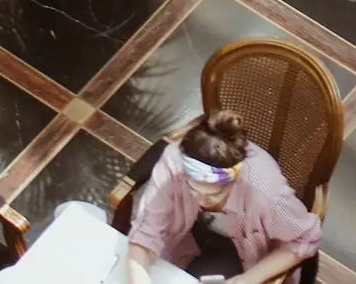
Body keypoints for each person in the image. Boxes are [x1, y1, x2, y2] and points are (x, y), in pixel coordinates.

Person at [125, 109, 321, 284]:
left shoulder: (265, 193)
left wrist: (246, 280)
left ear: (234, 180)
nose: (201, 200)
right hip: (187, 243)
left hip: (252, 258)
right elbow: (146, 230)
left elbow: (306, 238)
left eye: (213, 194)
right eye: (192, 188)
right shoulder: (175, 162)